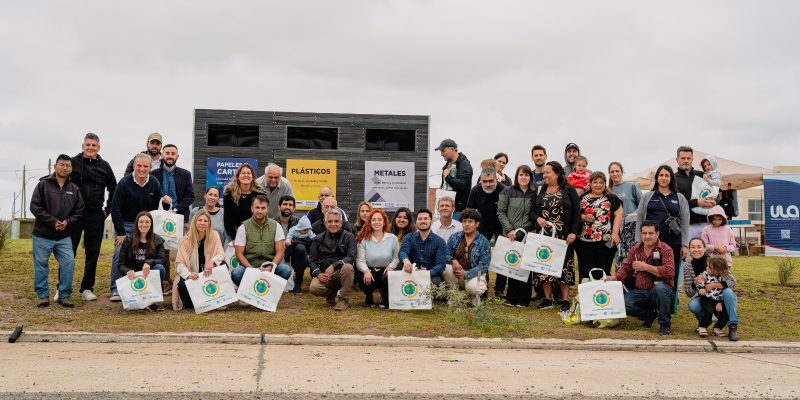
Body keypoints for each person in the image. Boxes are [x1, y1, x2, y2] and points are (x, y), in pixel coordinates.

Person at [110, 153, 171, 301]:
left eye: (145, 166)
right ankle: (116, 290)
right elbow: (115, 208)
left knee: (157, 252)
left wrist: (166, 201)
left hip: (147, 225)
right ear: (134, 167)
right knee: (119, 252)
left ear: (150, 168)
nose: (142, 169)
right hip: (127, 224)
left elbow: (161, 203)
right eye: (139, 166)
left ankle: (153, 288)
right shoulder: (124, 183)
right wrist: (122, 233)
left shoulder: (154, 182)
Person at [30, 155, 85, 307]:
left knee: (68, 263)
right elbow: (35, 207)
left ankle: (64, 295)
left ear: (71, 169)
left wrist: (67, 222)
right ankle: (43, 296)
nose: (65, 168)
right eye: (62, 165)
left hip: (64, 236)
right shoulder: (43, 185)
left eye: (68, 165)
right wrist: (52, 222)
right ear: (55, 166)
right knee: (41, 264)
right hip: (42, 235)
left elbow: (79, 211)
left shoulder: (74, 189)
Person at [604, 221, 676, 336]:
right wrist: (614, 277)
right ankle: (649, 315)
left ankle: (665, 325)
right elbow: (626, 268)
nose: (647, 236)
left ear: (657, 234)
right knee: (624, 305)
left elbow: (669, 272)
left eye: (651, 233)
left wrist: (646, 267)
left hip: (662, 290)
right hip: (641, 291)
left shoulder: (666, 249)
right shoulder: (635, 249)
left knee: (660, 289)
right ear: (641, 234)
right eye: (644, 233)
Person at [69, 133, 116, 302]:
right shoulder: (72, 163)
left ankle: (87, 288)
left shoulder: (105, 166)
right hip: (73, 215)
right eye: (87, 145)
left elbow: (114, 188)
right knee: (69, 252)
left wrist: (107, 211)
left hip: (96, 214)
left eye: (93, 145)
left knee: (93, 253)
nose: (90, 148)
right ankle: (63, 288)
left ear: (98, 148)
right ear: (82, 146)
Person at [531, 161, 581, 311]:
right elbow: (531, 212)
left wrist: (573, 232)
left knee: (564, 265)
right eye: (544, 173)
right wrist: (537, 219)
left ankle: (565, 300)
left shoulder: (569, 190)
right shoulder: (540, 189)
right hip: (544, 235)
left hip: (564, 236)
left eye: (548, 172)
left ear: (557, 174)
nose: (544, 175)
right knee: (545, 264)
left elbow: (577, 214)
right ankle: (547, 298)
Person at [636, 165, 690, 290]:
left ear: (671, 178)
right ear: (657, 178)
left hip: (673, 243)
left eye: (667, 175)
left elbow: (685, 223)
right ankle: (652, 303)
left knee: (672, 273)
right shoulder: (648, 196)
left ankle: (671, 303)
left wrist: (685, 244)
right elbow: (639, 220)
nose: (663, 178)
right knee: (649, 272)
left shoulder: (679, 198)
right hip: (651, 243)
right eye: (661, 175)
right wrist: (638, 242)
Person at [230, 194, 293, 287]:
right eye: (257, 207)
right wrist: (252, 270)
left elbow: (280, 252)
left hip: (270, 266)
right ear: (252, 208)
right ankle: (248, 291)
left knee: (286, 270)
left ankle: (269, 291)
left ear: (267, 209)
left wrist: (270, 267)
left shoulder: (276, 226)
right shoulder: (243, 227)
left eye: (263, 208)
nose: (260, 211)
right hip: (249, 266)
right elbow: (239, 254)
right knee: (236, 273)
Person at [683, 238, 739, 341]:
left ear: (705, 248)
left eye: (699, 247)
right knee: (692, 305)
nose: (696, 250)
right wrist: (695, 284)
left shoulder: (715, 261)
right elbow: (689, 293)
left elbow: (733, 283)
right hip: (704, 298)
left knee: (729, 293)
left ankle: (733, 326)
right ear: (689, 249)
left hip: (720, 297)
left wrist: (713, 285)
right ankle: (704, 323)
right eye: (692, 247)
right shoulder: (687, 266)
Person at [497, 165, 536, 304]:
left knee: (525, 266)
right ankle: (511, 298)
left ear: (530, 177)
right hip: (511, 234)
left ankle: (524, 300)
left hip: (528, 234)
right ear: (516, 176)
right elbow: (501, 211)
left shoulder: (534, 192)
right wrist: (508, 229)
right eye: (521, 175)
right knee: (512, 264)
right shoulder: (507, 191)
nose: (524, 177)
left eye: (526, 175)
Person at [173, 210, 225, 310]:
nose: (202, 223)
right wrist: (189, 274)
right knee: (182, 283)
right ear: (194, 222)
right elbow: (179, 264)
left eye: (205, 221)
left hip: (209, 276)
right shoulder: (186, 240)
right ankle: (191, 303)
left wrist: (212, 261)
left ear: (209, 223)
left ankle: (217, 298)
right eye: (199, 220)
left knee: (222, 264)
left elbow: (221, 254)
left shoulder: (214, 235)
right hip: (194, 278)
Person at [576, 172, 622, 281]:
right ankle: (586, 296)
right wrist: (583, 217)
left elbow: (618, 214)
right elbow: (575, 214)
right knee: (585, 272)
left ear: (605, 184)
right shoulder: (582, 197)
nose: (598, 185)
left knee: (603, 271)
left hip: (606, 242)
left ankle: (602, 295)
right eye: (595, 182)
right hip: (584, 242)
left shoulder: (612, 198)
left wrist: (615, 233)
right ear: (590, 184)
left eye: (601, 182)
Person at [118, 211, 168, 311]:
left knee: (160, 268)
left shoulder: (157, 240)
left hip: (148, 275)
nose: (144, 225)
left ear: (151, 224)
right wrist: (127, 271)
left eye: (147, 222)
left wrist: (148, 262)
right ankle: (139, 298)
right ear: (137, 224)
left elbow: (162, 259)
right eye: (141, 222)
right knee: (134, 306)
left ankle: (152, 298)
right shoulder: (128, 240)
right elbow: (121, 264)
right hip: (134, 276)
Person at [309, 209, 357, 311]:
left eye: (336, 221)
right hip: (325, 275)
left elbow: (351, 257)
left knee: (348, 267)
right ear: (325, 223)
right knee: (313, 288)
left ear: (341, 223)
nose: (333, 224)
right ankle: (331, 295)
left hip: (341, 273)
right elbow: (312, 260)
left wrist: (334, 266)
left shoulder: (349, 236)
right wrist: (318, 273)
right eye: (330, 221)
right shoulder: (318, 239)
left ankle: (343, 300)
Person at [443, 209, 491, 306]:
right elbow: (446, 255)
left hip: (473, 275)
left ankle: (474, 295)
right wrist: (453, 260)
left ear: (477, 224)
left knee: (473, 289)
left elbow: (484, 266)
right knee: (445, 268)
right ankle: (454, 295)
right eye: (464, 221)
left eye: (470, 221)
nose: (466, 224)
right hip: (456, 274)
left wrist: (466, 274)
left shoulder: (484, 242)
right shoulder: (454, 237)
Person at [355, 209, 400, 308]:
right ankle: (369, 297)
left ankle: (384, 298)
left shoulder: (393, 238)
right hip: (370, 270)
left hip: (386, 269)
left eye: (379, 219)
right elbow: (360, 260)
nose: (376, 222)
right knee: (363, 277)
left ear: (384, 222)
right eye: (374, 220)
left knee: (388, 277)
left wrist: (391, 267)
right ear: (369, 222)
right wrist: (366, 271)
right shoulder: (364, 239)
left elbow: (396, 258)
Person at [398, 209, 448, 285]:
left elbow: (441, 265)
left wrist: (428, 272)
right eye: (420, 219)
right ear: (416, 222)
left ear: (431, 221)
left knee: (436, 283)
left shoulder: (440, 241)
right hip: (410, 272)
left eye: (425, 218)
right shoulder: (408, 237)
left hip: (430, 274)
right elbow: (403, 251)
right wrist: (406, 261)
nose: (422, 221)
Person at [674, 146, 715, 239]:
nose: (686, 160)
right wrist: (697, 202)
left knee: (708, 253)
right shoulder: (673, 179)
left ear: (692, 159)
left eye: (688, 158)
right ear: (677, 160)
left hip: (707, 223)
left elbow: (714, 192)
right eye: (683, 158)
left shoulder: (702, 175)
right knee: (688, 253)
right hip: (686, 226)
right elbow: (676, 202)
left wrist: (714, 201)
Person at [150, 144, 194, 223]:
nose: (170, 156)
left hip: (181, 219)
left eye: (173, 154)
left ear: (177, 156)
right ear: (162, 155)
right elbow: (151, 194)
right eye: (167, 153)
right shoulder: (153, 174)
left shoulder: (186, 174)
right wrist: (162, 197)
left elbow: (190, 196)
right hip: (159, 219)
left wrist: (175, 210)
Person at [275, 196, 310, 294]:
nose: (287, 207)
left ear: (294, 208)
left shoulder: (299, 222)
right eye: (285, 204)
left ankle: (298, 283)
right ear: (279, 206)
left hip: (293, 252)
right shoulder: (272, 222)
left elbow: (308, 239)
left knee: (301, 249)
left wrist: (291, 241)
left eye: (290, 205)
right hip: (276, 251)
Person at [222, 163, 266, 240]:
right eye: (243, 173)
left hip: (254, 231)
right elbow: (227, 217)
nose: (246, 175)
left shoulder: (260, 194)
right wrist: (234, 237)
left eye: (248, 173)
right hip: (233, 231)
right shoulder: (229, 193)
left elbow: (262, 214)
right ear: (238, 176)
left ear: (253, 177)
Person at [694, 256, 733, 337]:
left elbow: (726, 287)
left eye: (710, 267)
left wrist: (720, 302)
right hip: (706, 298)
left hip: (718, 300)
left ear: (718, 270)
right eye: (707, 266)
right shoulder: (704, 274)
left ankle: (717, 328)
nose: (707, 268)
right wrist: (702, 288)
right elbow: (699, 282)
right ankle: (702, 327)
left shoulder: (723, 277)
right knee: (708, 312)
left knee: (725, 316)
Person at [466, 167, 505, 241]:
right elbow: (469, 211)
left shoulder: (504, 190)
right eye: (485, 181)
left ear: (496, 180)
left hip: (501, 225)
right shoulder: (475, 191)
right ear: (481, 181)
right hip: (483, 225)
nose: (488, 184)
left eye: (491, 181)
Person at [436, 138, 473, 215]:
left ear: (453, 149)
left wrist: (448, 177)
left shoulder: (464, 164)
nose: (441, 154)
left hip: (458, 210)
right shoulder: (447, 165)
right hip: (447, 208)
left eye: (443, 151)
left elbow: (463, 185)